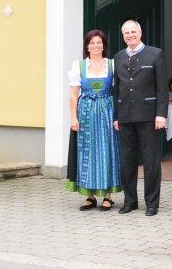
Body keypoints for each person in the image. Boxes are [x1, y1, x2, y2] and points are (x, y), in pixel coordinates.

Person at [112, 20, 168, 216]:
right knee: (127, 160)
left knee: (151, 160)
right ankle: (130, 201)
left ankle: (152, 203)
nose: (130, 35)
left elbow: (162, 88)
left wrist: (161, 114)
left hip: (148, 116)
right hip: (125, 116)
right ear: (123, 36)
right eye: (126, 32)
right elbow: (116, 90)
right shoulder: (118, 57)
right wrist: (116, 117)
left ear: (140, 32)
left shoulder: (155, 54)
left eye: (133, 31)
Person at [66, 30, 122, 211]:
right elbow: (74, 94)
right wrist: (73, 117)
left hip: (106, 112)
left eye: (99, 43)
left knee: (106, 151)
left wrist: (118, 116)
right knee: (86, 151)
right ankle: (89, 196)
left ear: (104, 46)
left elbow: (118, 92)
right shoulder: (79, 66)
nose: (96, 46)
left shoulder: (112, 65)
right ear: (87, 46)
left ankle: (107, 196)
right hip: (86, 113)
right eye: (92, 43)